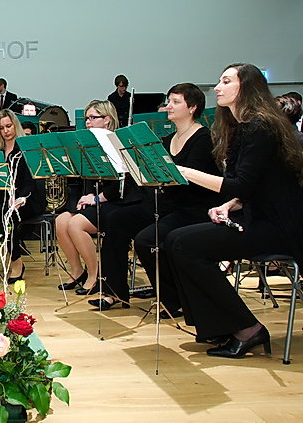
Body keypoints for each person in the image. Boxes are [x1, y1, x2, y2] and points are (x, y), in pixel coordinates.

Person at [168, 63, 303, 358]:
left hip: (278, 225)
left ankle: (247, 329)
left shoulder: (261, 127)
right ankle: (217, 327)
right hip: (257, 216)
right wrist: (227, 205)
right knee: (176, 239)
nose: (218, 87)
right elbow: (249, 187)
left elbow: (240, 184)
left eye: (226, 81)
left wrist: (184, 172)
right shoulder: (243, 127)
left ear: (247, 87)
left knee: (186, 246)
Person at [92, 84, 223, 311]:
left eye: (175, 102)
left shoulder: (203, 138)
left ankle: (174, 300)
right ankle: (114, 292)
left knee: (145, 240)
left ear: (192, 107)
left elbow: (190, 182)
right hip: (166, 204)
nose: (168, 106)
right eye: (168, 101)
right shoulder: (167, 139)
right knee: (116, 219)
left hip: (192, 209)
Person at [54, 100, 136, 295]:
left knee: (76, 224)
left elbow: (122, 183)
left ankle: (95, 275)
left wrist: (98, 198)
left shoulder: (117, 143)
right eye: (87, 118)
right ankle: (77, 271)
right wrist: (90, 194)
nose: (88, 122)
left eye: (93, 117)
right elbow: (92, 178)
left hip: (119, 202)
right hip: (99, 199)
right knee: (61, 220)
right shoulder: (91, 145)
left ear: (107, 119)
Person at [0, 109, 46, 281]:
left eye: (8, 126)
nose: (5, 131)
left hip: (28, 198)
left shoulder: (25, 148)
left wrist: (20, 199)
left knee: (5, 213)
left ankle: (16, 260)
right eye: (1, 128)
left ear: (15, 125)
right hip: (2, 196)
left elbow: (30, 183)